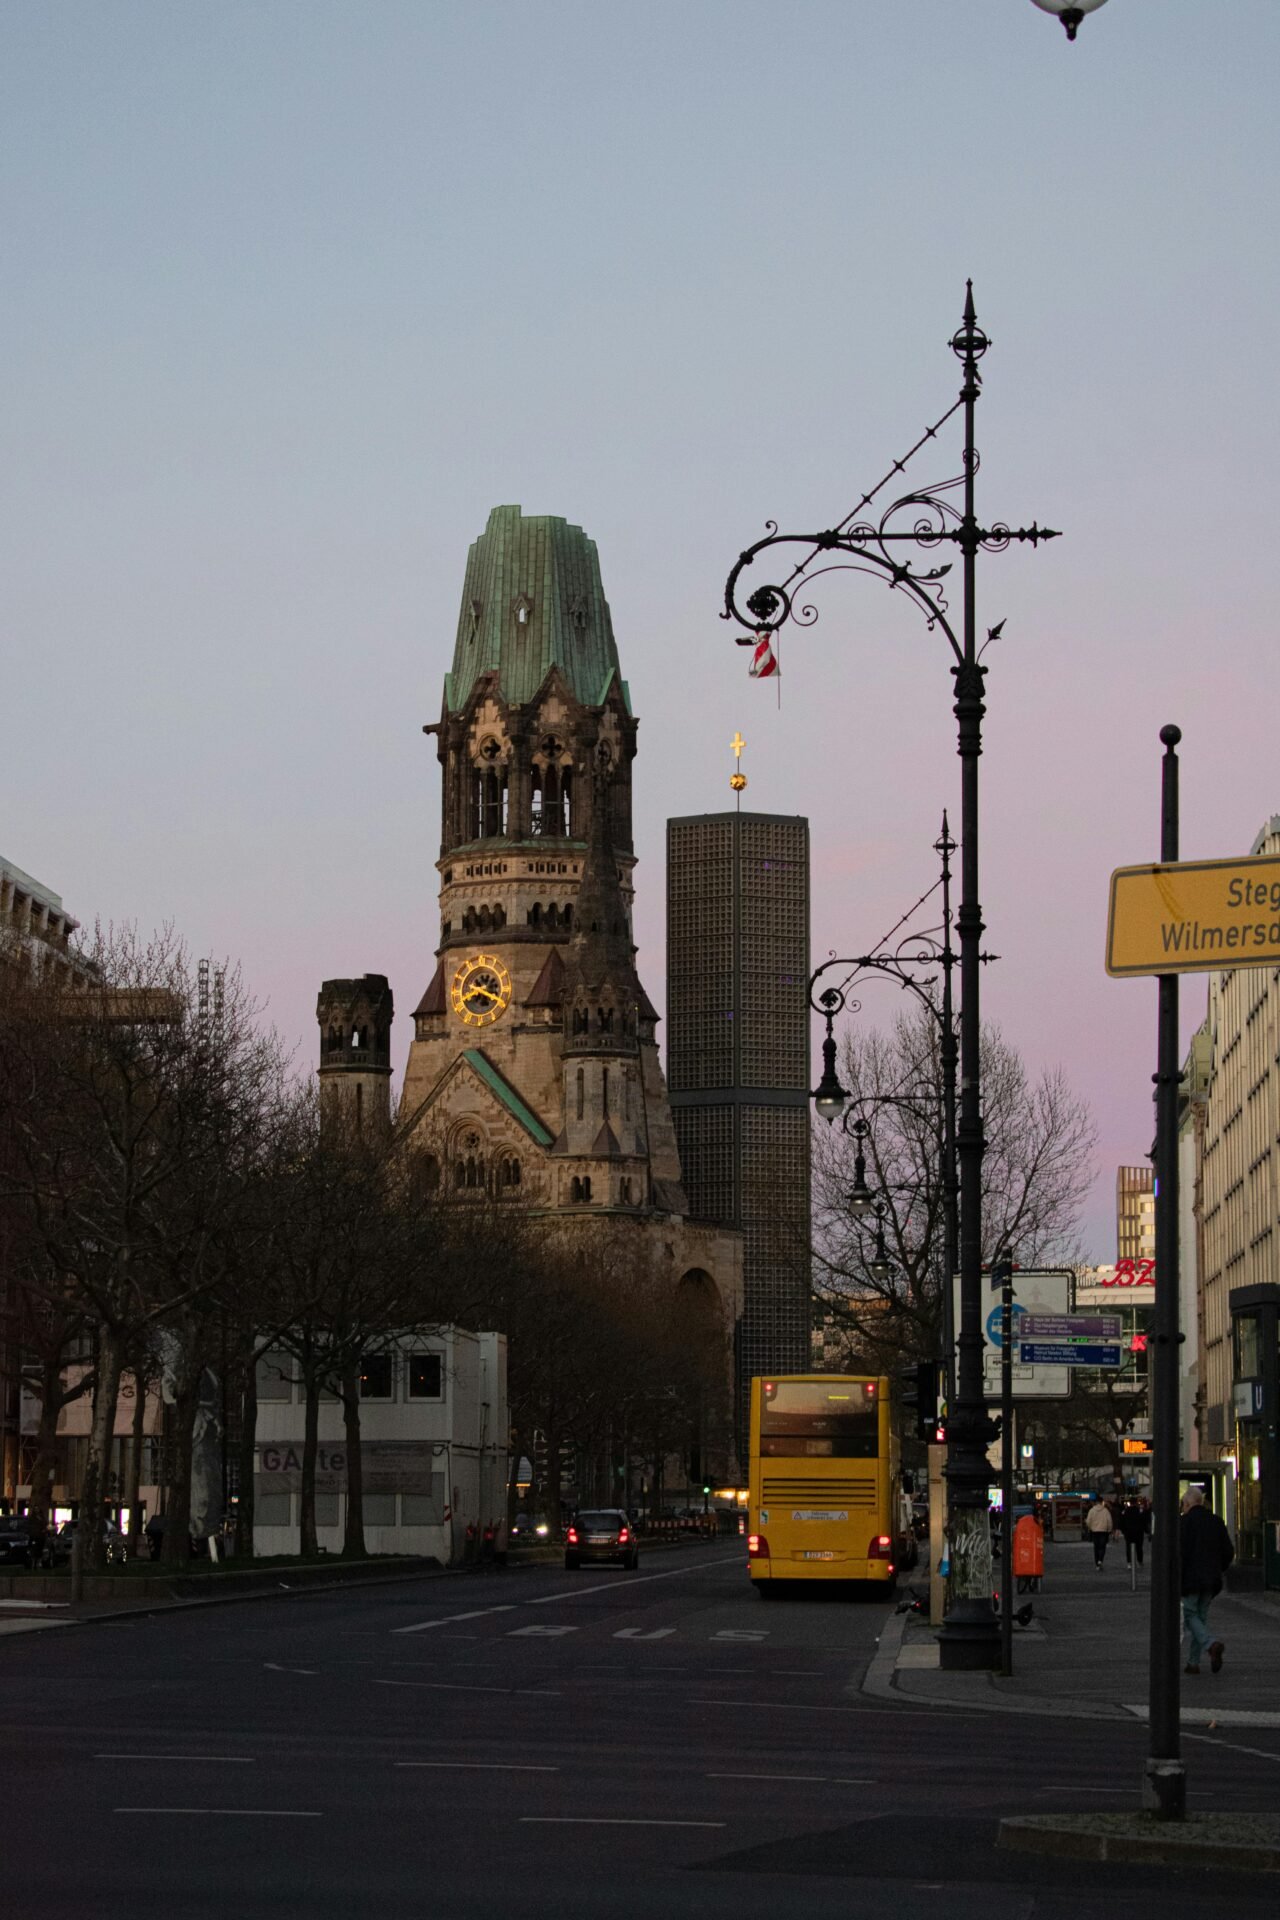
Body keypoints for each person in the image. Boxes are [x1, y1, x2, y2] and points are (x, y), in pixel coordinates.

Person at [1180, 1486, 1234, 1675]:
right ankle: (1193, 1662)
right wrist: (1219, 1569)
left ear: (1187, 1503)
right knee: (1200, 1617)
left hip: (1191, 1579)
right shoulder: (1216, 1521)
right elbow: (1228, 1551)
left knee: (1189, 1615)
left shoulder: (1184, 1523)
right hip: (1211, 1579)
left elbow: (1179, 1553)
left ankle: (1210, 1645)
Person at [1085, 1495, 1114, 1569]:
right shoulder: (1105, 1510)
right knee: (1102, 1547)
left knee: (1096, 1547)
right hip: (1104, 1531)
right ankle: (1100, 1560)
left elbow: (1088, 1521)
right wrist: (1109, 1530)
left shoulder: (1092, 1510)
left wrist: (1091, 1528)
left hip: (1095, 1531)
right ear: (1102, 1502)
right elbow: (1109, 1521)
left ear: (1095, 1502)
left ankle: (1097, 1563)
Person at [1118, 1498, 1148, 1568]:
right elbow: (1144, 1521)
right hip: (1138, 1532)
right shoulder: (1140, 1511)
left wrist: (1123, 1530)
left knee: (1128, 1547)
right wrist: (1145, 1530)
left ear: (1130, 1503)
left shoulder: (1125, 1511)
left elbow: (1122, 1521)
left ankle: (1129, 1562)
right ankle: (1140, 1561)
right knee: (1139, 1547)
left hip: (1128, 1532)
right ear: (1136, 1502)